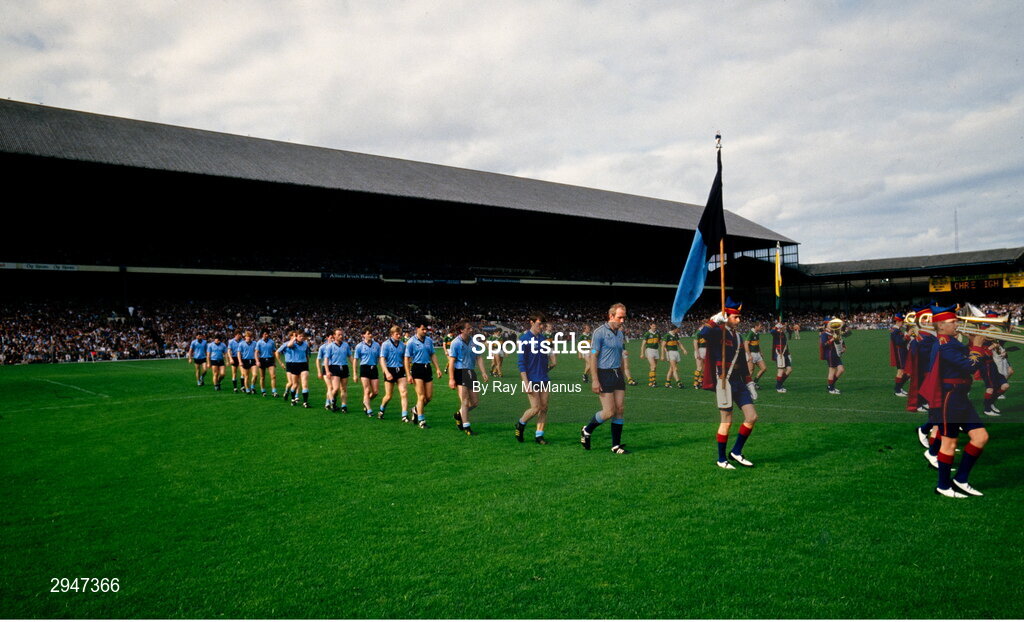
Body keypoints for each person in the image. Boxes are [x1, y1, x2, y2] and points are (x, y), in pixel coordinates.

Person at [920, 305, 990, 497]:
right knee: (949, 443)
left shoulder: (950, 342)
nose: (957, 324)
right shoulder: (945, 344)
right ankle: (943, 486)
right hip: (950, 398)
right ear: (941, 326)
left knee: (981, 437)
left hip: (959, 397)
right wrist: (976, 345)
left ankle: (960, 480)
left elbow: (968, 358)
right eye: (953, 322)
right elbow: (969, 365)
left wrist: (972, 345)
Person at [699, 298, 759, 469]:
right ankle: (721, 459)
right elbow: (703, 335)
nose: (739, 320)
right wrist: (713, 321)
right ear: (727, 317)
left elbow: (742, 362)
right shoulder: (718, 332)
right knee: (727, 420)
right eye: (735, 317)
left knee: (752, 417)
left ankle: (736, 452)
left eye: (739, 317)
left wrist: (749, 383)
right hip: (724, 381)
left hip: (739, 382)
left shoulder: (738, 337)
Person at [580, 303, 631, 454]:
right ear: (611, 316)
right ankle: (587, 430)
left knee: (620, 409)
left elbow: (621, 355)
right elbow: (593, 356)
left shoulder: (620, 334)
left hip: (617, 374)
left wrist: (623, 372)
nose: (622, 320)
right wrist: (595, 379)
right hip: (604, 373)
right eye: (619, 317)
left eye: (624, 317)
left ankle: (615, 445)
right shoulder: (599, 333)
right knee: (609, 412)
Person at [516, 312, 554, 444]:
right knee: (535, 408)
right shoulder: (524, 339)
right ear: (531, 322)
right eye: (539, 324)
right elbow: (521, 364)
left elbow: (544, 358)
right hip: (531, 379)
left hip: (543, 378)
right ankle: (521, 423)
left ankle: (539, 435)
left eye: (543, 324)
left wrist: (551, 362)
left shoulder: (542, 339)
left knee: (544, 407)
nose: (541, 326)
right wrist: (525, 382)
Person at [448, 319, 490, 435]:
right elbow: (451, 362)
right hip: (460, 372)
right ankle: (467, 426)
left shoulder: (474, 341)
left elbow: (479, 357)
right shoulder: (455, 343)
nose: (471, 330)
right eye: (468, 328)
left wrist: (483, 372)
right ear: (462, 330)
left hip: (471, 372)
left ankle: (459, 414)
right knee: (465, 401)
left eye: (471, 328)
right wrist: (451, 379)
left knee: (475, 402)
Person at [404, 321, 442, 428]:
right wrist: (408, 374)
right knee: (421, 396)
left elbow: (432, 354)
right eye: (423, 329)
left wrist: (438, 368)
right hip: (417, 368)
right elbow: (406, 358)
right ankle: (421, 420)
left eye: (426, 329)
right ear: (417, 328)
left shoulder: (429, 340)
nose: (425, 331)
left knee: (428, 397)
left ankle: (415, 409)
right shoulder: (411, 342)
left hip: (427, 368)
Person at [978, 311, 1011, 417]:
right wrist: (990, 348)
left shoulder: (991, 331)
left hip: (993, 364)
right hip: (985, 365)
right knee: (990, 388)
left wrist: (1000, 350)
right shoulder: (981, 331)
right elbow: (979, 351)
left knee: (1005, 385)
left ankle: (990, 403)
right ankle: (987, 409)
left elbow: (996, 344)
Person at [378, 325, 409, 420]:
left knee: (404, 393)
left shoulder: (402, 345)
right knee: (388, 396)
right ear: (392, 334)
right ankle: (381, 409)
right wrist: (386, 372)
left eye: (400, 334)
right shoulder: (385, 344)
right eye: (397, 334)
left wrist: (408, 373)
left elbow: (405, 360)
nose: (399, 336)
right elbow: (382, 359)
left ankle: (404, 415)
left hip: (400, 370)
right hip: (390, 370)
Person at [320, 329, 352, 413]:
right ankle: (332, 401)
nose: (341, 336)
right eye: (339, 335)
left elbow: (350, 356)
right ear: (334, 336)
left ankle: (344, 406)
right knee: (335, 388)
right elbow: (326, 359)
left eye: (342, 334)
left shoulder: (346, 345)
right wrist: (327, 371)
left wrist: (354, 366)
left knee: (344, 388)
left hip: (344, 367)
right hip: (334, 367)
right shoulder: (330, 346)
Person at [280, 330, 311, 407]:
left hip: (303, 365)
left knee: (304, 384)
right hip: (294, 365)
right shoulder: (293, 344)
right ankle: (293, 399)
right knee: (295, 384)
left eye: (303, 336)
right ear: (296, 337)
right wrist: (294, 339)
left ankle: (305, 402)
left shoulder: (305, 344)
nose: (302, 338)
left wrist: (307, 363)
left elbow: (307, 354)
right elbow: (289, 345)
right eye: (300, 336)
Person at [355, 329, 382, 417]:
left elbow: (380, 358)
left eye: (371, 333)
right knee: (367, 390)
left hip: (374, 368)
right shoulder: (359, 346)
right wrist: (355, 373)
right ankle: (369, 409)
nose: (370, 335)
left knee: (375, 392)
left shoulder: (377, 345)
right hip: (364, 368)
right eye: (368, 333)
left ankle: (365, 402)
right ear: (363, 335)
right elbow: (356, 359)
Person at [819, 318, 846, 394]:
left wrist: (843, 347)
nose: (831, 325)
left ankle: (830, 386)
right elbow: (824, 345)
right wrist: (832, 339)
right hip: (830, 354)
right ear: (826, 326)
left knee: (841, 370)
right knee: (832, 371)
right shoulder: (824, 334)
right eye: (829, 324)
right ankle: (831, 389)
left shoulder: (834, 332)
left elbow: (841, 340)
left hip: (836, 353)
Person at [889, 314, 910, 397]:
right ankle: (897, 390)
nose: (903, 323)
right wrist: (907, 335)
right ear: (898, 321)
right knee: (901, 371)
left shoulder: (897, 330)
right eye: (902, 321)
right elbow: (900, 342)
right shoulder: (895, 331)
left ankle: (899, 388)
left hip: (901, 352)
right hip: (899, 353)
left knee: (902, 371)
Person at [769, 321, 792, 393]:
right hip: (779, 354)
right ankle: (778, 387)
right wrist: (776, 327)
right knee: (781, 370)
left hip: (785, 354)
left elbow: (785, 344)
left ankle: (779, 383)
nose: (785, 327)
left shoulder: (783, 333)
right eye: (784, 326)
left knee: (789, 369)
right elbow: (771, 331)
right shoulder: (776, 333)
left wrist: (788, 353)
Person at [255, 330, 279, 397]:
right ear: (262, 334)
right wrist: (257, 361)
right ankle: (263, 391)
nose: (266, 335)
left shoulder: (271, 342)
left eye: (267, 334)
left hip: (270, 360)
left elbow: (274, 352)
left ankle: (274, 392)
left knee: (273, 376)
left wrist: (274, 361)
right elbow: (256, 352)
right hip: (262, 360)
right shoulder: (259, 342)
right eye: (265, 334)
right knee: (262, 377)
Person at [743, 321, 767, 387]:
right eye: (760, 326)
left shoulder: (757, 333)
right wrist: (749, 355)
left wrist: (760, 351)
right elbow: (746, 344)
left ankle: (754, 382)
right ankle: (745, 385)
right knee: (750, 371)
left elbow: (757, 344)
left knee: (764, 368)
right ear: (756, 326)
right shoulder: (750, 333)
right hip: (751, 354)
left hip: (757, 354)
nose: (761, 327)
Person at [237, 330, 258, 394]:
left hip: (252, 360)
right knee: (246, 376)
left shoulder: (254, 343)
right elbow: (238, 353)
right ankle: (247, 389)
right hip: (245, 361)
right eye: (247, 336)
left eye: (250, 336)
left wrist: (257, 360)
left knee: (255, 375)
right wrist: (240, 361)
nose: (249, 338)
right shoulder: (241, 344)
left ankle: (252, 387)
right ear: (245, 337)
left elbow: (256, 352)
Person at [641, 322, 661, 387]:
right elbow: (643, 344)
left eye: (655, 326)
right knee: (653, 366)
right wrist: (642, 353)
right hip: (649, 350)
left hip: (656, 350)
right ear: (650, 326)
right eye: (653, 326)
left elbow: (660, 342)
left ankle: (651, 381)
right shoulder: (647, 334)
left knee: (653, 367)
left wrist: (665, 349)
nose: (654, 327)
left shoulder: (658, 334)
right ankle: (653, 382)